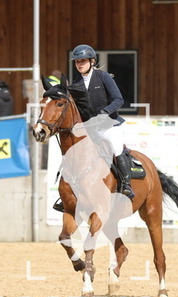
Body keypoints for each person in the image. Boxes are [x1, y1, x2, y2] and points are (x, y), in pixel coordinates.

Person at [70, 43, 134, 199]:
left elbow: (119, 99)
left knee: (116, 148)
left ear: (92, 61)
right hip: (90, 129)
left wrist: (105, 111)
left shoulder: (103, 77)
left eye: (83, 61)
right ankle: (69, 190)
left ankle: (126, 185)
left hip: (109, 125)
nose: (79, 64)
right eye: (77, 61)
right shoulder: (76, 83)